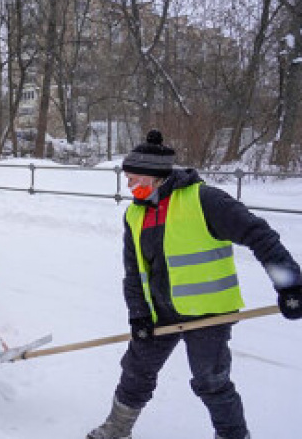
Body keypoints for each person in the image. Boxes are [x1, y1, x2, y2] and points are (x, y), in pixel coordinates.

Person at [87, 130, 302, 439]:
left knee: (211, 382)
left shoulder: (205, 200)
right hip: (159, 312)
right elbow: (134, 272)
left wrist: (291, 285)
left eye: (136, 179)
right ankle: (117, 429)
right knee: (135, 372)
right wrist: (138, 314)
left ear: (157, 176)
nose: (130, 185)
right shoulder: (135, 214)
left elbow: (259, 235)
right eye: (128, 178)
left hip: (209, 313)